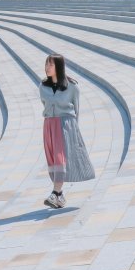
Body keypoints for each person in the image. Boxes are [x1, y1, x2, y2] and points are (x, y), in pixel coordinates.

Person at [40, 53, 95, 208]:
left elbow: (76, 110)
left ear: (59, 67)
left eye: (50, 65)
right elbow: (45, 104)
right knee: (53, 159)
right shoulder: (43, 86)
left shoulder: (72, 87)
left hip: (66, 125)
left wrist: (72, 131)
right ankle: (60, 197)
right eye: (46, 64)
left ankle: (55, 193)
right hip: (49, 125)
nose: (47, 68)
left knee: (60, 158)